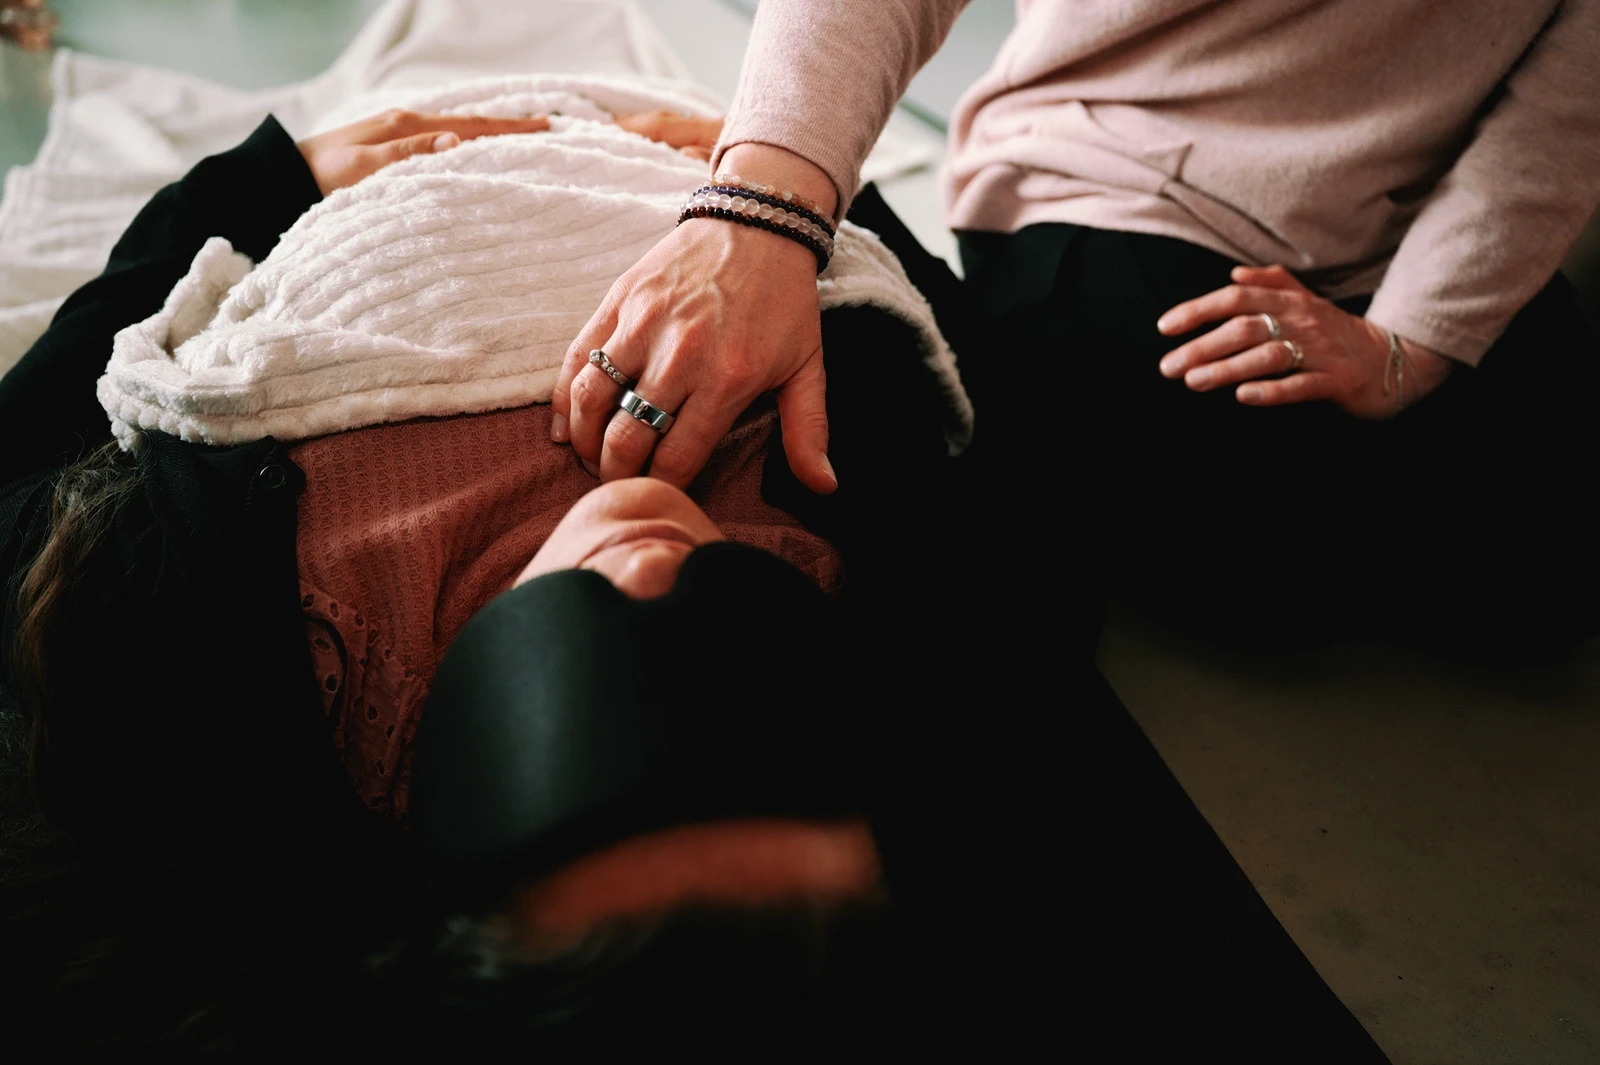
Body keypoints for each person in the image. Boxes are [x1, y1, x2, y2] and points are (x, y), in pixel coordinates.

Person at [568, 0, 1600, 647]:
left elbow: (1564, 112)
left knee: (1541, 586)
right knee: (1268, 578)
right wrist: (764, 212)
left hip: (1400, 231)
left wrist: (1404, 352)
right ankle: (897, 261)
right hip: (1126, 175)